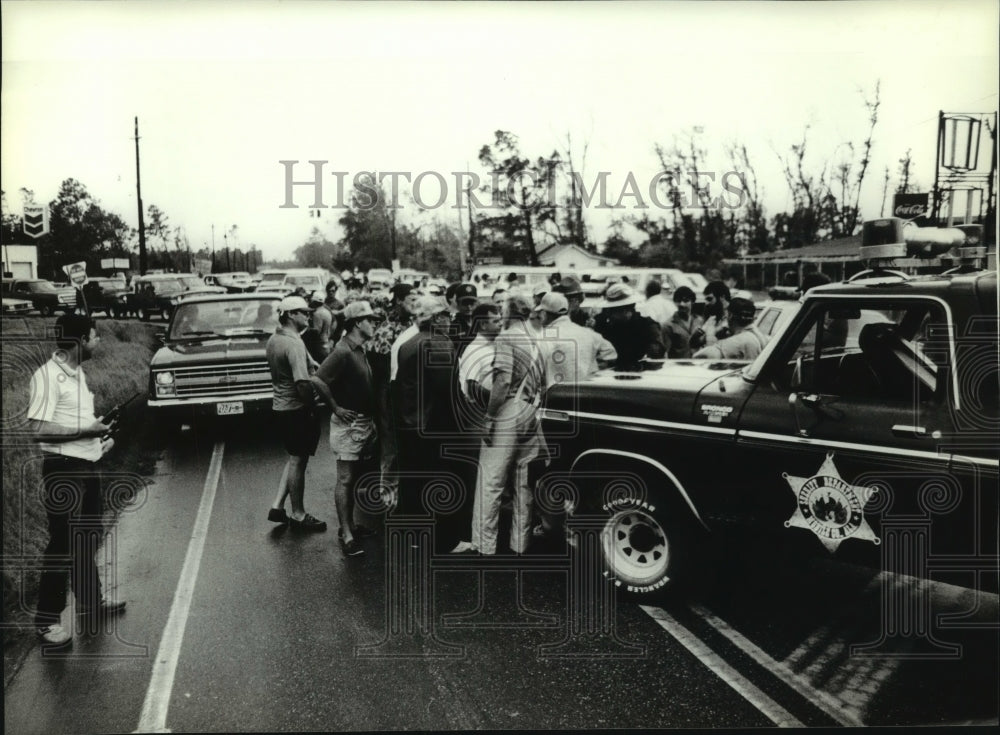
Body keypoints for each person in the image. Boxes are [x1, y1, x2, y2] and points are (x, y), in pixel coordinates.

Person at [28, 314, 124, 647]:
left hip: (87, 465)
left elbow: (76, 424)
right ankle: (46, 621)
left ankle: (90, 602)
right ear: (80, 340)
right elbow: (38, 430)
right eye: (95, 337)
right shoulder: (47, 377)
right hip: (63, 471)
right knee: (62, 545)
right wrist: (87, 432)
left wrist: (100, 440)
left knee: (85, 538)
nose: (98, 342)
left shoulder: (77, 374)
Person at [470, 291, 546, 556]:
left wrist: (490, 417)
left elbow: (502, 380)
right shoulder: (536, 338)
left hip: (508, 410)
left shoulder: (506, 337)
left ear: (509, 313)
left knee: (491, 479)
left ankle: (484, 545)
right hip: (531, 410)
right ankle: (519, 543)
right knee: (523, 481)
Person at [314, 301, 381, 557]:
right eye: (370, 320)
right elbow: (317, 379)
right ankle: (347, 533)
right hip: (348, 425)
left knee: (353, 479)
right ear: (356, 323)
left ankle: (350, 524)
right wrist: (335, 407)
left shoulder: (359, 349)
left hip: (363, 423)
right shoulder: (342, 351)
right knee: (345, 479)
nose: (374, 324)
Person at [394, 296, 458, 531]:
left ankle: (410, 530)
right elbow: (448, 390)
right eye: (447, 316)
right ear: (437, 318)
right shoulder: (439, 343)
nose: (450, 321)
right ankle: (442, 537)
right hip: (433, 424)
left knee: (412, 480)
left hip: (408, 422)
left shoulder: (407, 343)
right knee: (439, 479)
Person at [265, 295, 327, 532]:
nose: (308, 316)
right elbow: (302, 382)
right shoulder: (293, 344)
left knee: (294, 458)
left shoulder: (275, 339)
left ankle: (278, 505)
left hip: (281, 406)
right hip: (295, 409)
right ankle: (299, 514)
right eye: (303, 312)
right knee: (299, 461)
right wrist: (311, 407)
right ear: (290, 314)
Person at [367, 283, 415, 511]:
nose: (414, 304)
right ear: (398, 301)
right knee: (390, 446)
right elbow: (380, 371)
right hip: (388, 394)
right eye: (410, 300)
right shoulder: (385, 329)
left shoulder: (413, 325)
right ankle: (387, 492)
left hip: (408, 394)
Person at [535, 292, 617, 387]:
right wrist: (591, 366)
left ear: (544, 314)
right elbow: (611, 353)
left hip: (555, 396)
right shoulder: (588, 333)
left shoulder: (542, 337)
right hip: (587, 392)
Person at [593, 284, 666, 371]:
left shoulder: (647, 326)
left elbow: (656, 353)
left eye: (613, 310)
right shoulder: (605, 326)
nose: (610, 315)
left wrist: (641, 364)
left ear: (627, 310)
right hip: (609, 375)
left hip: (640, 376)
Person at [694, 297, 767, 360]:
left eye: (727, 314)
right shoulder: (758, 335)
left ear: (730, 315)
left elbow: (703, 357)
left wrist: (710, 335)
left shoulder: (739, 341)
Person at [662, 285, 702, 358]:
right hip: (678, 367)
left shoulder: (700, 321)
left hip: (698, 365)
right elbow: (665, 353)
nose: (682, 304)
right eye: (678, 301)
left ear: (692, 301)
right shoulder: (668, 325)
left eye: (686, 300)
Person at [690, 281, 731, 352]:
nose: (707, 303)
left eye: (710, 299)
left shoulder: (736, 318)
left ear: (722, 297)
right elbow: (695, 343)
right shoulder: (712, 320)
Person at [450, 283, 480, 360]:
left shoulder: (482, 322)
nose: (469, 307)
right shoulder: (453, 326)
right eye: (465, 303)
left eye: (472, 303)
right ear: (458, 304)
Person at [310, 290, 334, 355]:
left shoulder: (317, 314)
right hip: (326, 343)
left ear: (314, 301)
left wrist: (307, 329)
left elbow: (316, 331)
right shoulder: (327, 311)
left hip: (319, 346)